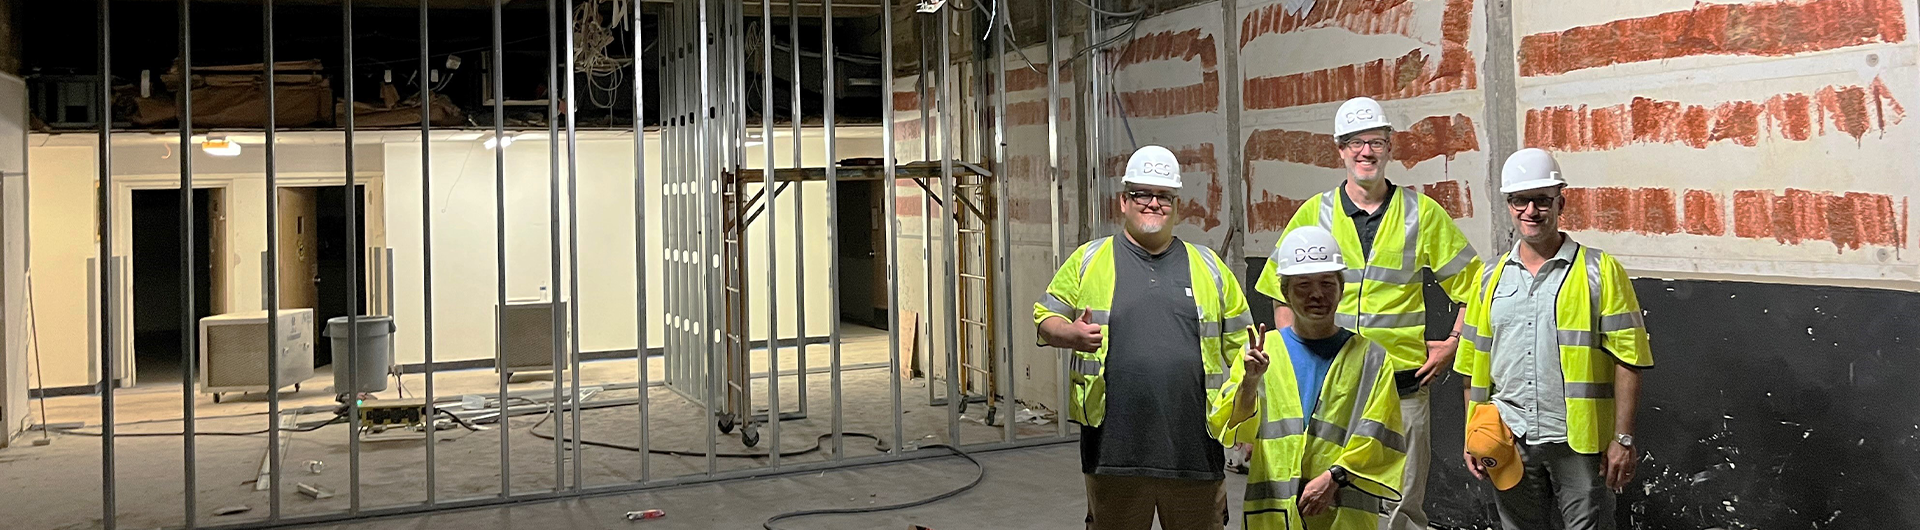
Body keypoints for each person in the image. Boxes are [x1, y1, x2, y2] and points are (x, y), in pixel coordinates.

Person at [1251, 96, 1482, 530]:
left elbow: (1476, 287)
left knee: (1401, 504)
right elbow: (1278, 292)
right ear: (1339, 150)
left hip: (1402, 391)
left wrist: (1453, 344)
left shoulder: (1421, 213)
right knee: (1332, 509)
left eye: (1375, 141)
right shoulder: (1315, 214)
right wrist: (1295, 363)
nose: (1366, 152)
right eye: (1355, 142)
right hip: (1332, 393)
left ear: (1390, 147)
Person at [1034, 145, 1253, 530]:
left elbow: (1243, 351)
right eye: (1141, 194)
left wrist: (1245, 418)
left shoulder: (1210, 267)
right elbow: (1044, 318)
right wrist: (1069, 333)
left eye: (1163, 196)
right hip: (1113, 454)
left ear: (1176, 204)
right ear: (1124, 201)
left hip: (1195, 452)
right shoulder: (1090, 259)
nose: (1153, 203)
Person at [1454, 148, 1654, 530]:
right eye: (1520, 200)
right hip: (1507, 435)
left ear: (1561, 201)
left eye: (1542, 200)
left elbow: (1629, 359)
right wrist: (1473, 435)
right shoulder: (1489, 277)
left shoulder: (1600, 271)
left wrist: (1623, 440)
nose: (1531, 210)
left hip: (1576, 441)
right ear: (1508, 205)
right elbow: (1470, 365)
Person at [1215, 226, 1409, 530]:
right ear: (1285, 292)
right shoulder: (1261, 353)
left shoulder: (1371, 357)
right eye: (1303, 284)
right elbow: (1231, 428)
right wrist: (1249, 383)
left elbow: (1380, 435)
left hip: (1343, 511)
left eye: (1327, 283)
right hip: (1274, 512)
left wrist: (1335, 477)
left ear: (1341, 289)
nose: (1317, 294)